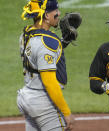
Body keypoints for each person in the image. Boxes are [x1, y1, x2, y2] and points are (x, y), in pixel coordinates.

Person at [17, 0, 75, 130]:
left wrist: (62, 43)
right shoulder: (47, 42)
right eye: (56, 11)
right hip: (43, 102)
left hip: (27, 96)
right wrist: (66, 111)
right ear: (47, 16)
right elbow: (49, 82)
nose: (59, 13)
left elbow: (37, 54)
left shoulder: (25, 34)